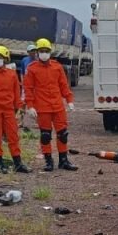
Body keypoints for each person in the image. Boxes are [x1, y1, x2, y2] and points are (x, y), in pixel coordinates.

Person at [23, 38, 78, 172]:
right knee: (45, 135)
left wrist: (69, 100)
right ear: (37, 52)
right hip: (42, 108)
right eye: (41, 51)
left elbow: (64, 85)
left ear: (50, 52)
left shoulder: (57, 67)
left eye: (46, 51)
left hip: (57, 106)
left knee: (62, 134)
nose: (44, 53)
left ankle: (64, 161)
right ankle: (48, 161)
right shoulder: (32, 69)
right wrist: (30, 105)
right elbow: (28, 88)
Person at [0, 46, 30, 174]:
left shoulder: (12, 74)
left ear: (5, 59)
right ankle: (0, 163)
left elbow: (16, 93)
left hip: (9, 110)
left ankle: (18, 163)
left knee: (13, 136)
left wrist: (20, 108)